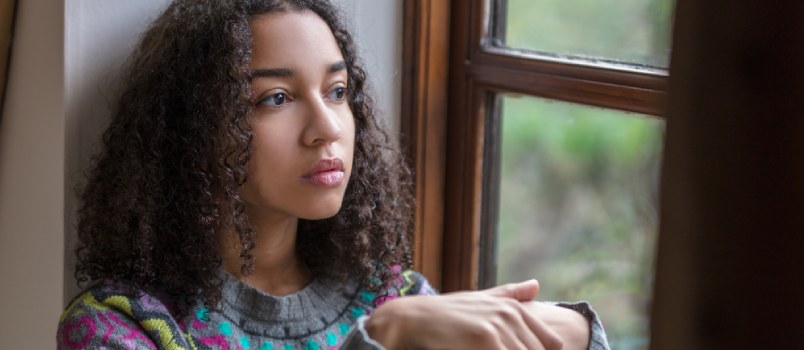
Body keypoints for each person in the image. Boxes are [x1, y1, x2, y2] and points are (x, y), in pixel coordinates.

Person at [57, 0, 610, 349]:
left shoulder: (394, 296)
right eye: (275, 98)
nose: (327, 128)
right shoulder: (119, 329)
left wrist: (570, 333)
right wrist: (382, 340)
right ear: (193, 131)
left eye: (338, 91)